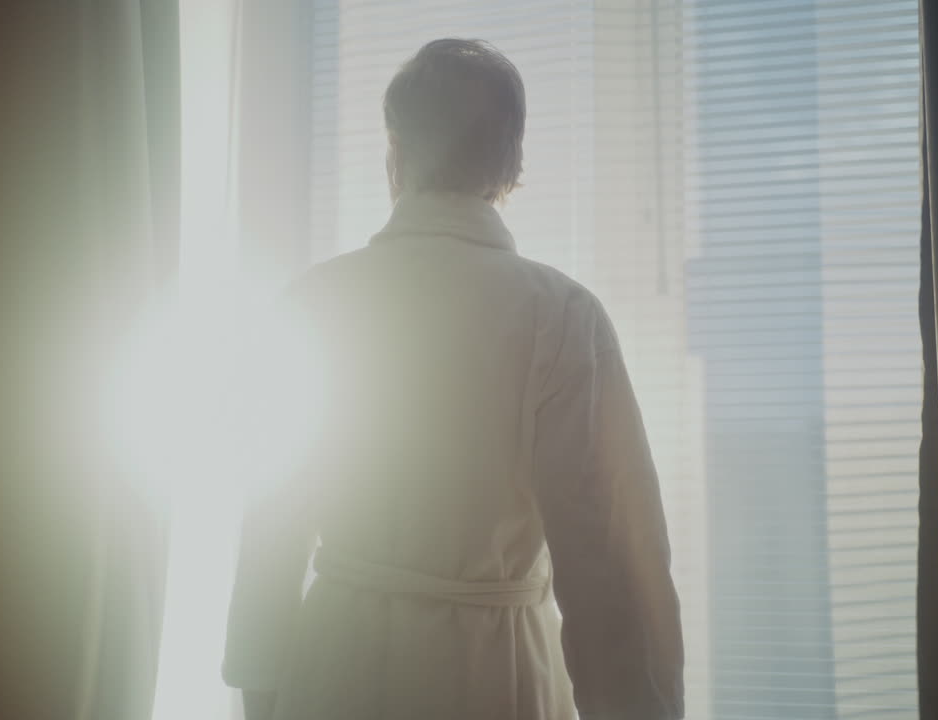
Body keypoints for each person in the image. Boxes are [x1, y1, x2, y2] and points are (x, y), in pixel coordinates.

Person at [222, 38, 684, 720]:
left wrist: (261, 693)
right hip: (499, 677)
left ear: (395, 153)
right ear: (511, 164)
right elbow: (612, 573)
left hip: (330, 669)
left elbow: (270, 530)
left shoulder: (310, 303)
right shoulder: (561, 316)